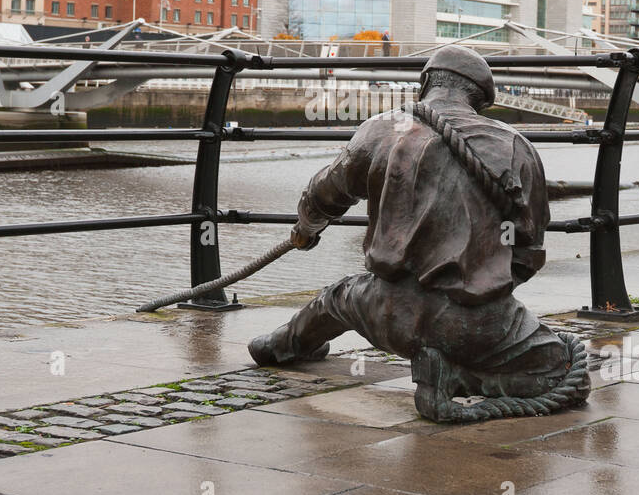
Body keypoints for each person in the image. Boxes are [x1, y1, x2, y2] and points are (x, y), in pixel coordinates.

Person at [248, 45, 584, 421]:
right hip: (471, 323)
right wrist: (486, 285)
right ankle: (454, 374)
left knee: (337, 299)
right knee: (561, 370)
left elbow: (323, 194)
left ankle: (279, 346)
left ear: (424, 84)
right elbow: (529, 249)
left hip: (384, 311)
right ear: (480, 99)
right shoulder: (515, 146)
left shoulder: (380, 129)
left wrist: (306, 230)